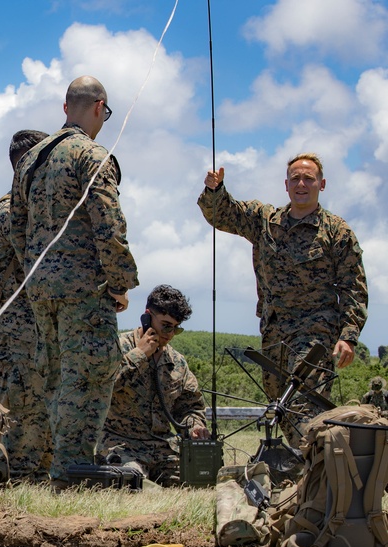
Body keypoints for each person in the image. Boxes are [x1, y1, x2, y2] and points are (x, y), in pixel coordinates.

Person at [9, 75, 139, 490]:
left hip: (41, 287)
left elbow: (16, 227)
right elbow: (110, 224)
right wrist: (120, 282)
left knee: (57, 374)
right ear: (100, 108)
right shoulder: (91, 155)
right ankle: (74, 469)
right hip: (84, 289)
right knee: (90, 374)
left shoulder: (32, 158)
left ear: (67, 108)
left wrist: (36, 272)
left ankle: (62, 464)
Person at [199, 154, 367, 447]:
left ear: (322, 184)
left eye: (309, 178)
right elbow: (223, 215)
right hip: (275, 331)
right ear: (286, 185)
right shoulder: (265, 221)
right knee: (281, 403)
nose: (302, 184)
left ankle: (312, 473)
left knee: (303, 400)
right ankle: (303, 464)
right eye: (296, 178)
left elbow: (354, 286)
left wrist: (348, 336)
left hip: (316, 334)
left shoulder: (337, 231)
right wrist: (215, 189)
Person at [0, 129, 55, 483]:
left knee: (40, 401)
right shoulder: (9, 211)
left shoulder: (34, 207)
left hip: (38, 326)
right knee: (22, 402)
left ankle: (40, 472)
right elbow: (37, 263)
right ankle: (15, 475)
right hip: (20, 329)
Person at [101, 285, 209, 486]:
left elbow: (190, 406)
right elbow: (103, 386)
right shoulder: (118, 346)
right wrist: (139, 355)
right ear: (147, 316)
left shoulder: (177, 362)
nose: (170, 334)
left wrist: (195, 425)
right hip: (122, 444)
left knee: (196, 482)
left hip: (163, 449)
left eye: (176, 329)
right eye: (166, 325)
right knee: (130, 481)